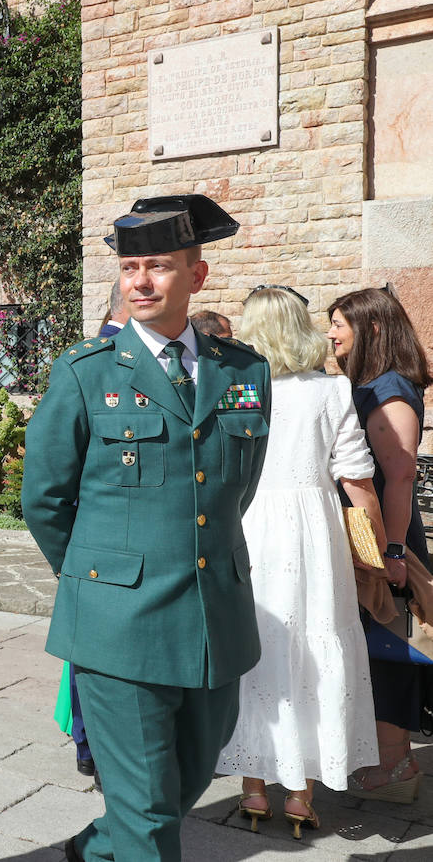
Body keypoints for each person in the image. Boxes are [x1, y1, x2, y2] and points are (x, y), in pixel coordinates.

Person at [22, 194, 272, 862]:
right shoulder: (84, 374)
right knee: (151, 816)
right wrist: (98, 580)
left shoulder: (245, 372)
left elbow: (233, 491)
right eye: (131, 267)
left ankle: (93, 850)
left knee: (185, 783)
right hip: (118, 627)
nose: (139, 281)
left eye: (157, 266)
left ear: (197, 275)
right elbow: (44, 500)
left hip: (213, 621)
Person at [214, 286, 384, 839]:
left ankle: (253, 789)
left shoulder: (242, 388)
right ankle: (300, 796)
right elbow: (357, 477)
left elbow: (226, 462)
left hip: (253, 523)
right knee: (315, 645)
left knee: (255, 643)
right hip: (315, 530)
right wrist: (379, 548)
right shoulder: (332, 391)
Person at [328, 287, 433, 803]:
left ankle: (395, 765)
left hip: (386, 540)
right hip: (375, 536)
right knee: (377, 642)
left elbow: (399, 474)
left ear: (371, 328)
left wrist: (391, 553)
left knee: (388, 644)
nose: (331, 333)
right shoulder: (374, 384)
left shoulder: (389, 390)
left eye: (339, 323)